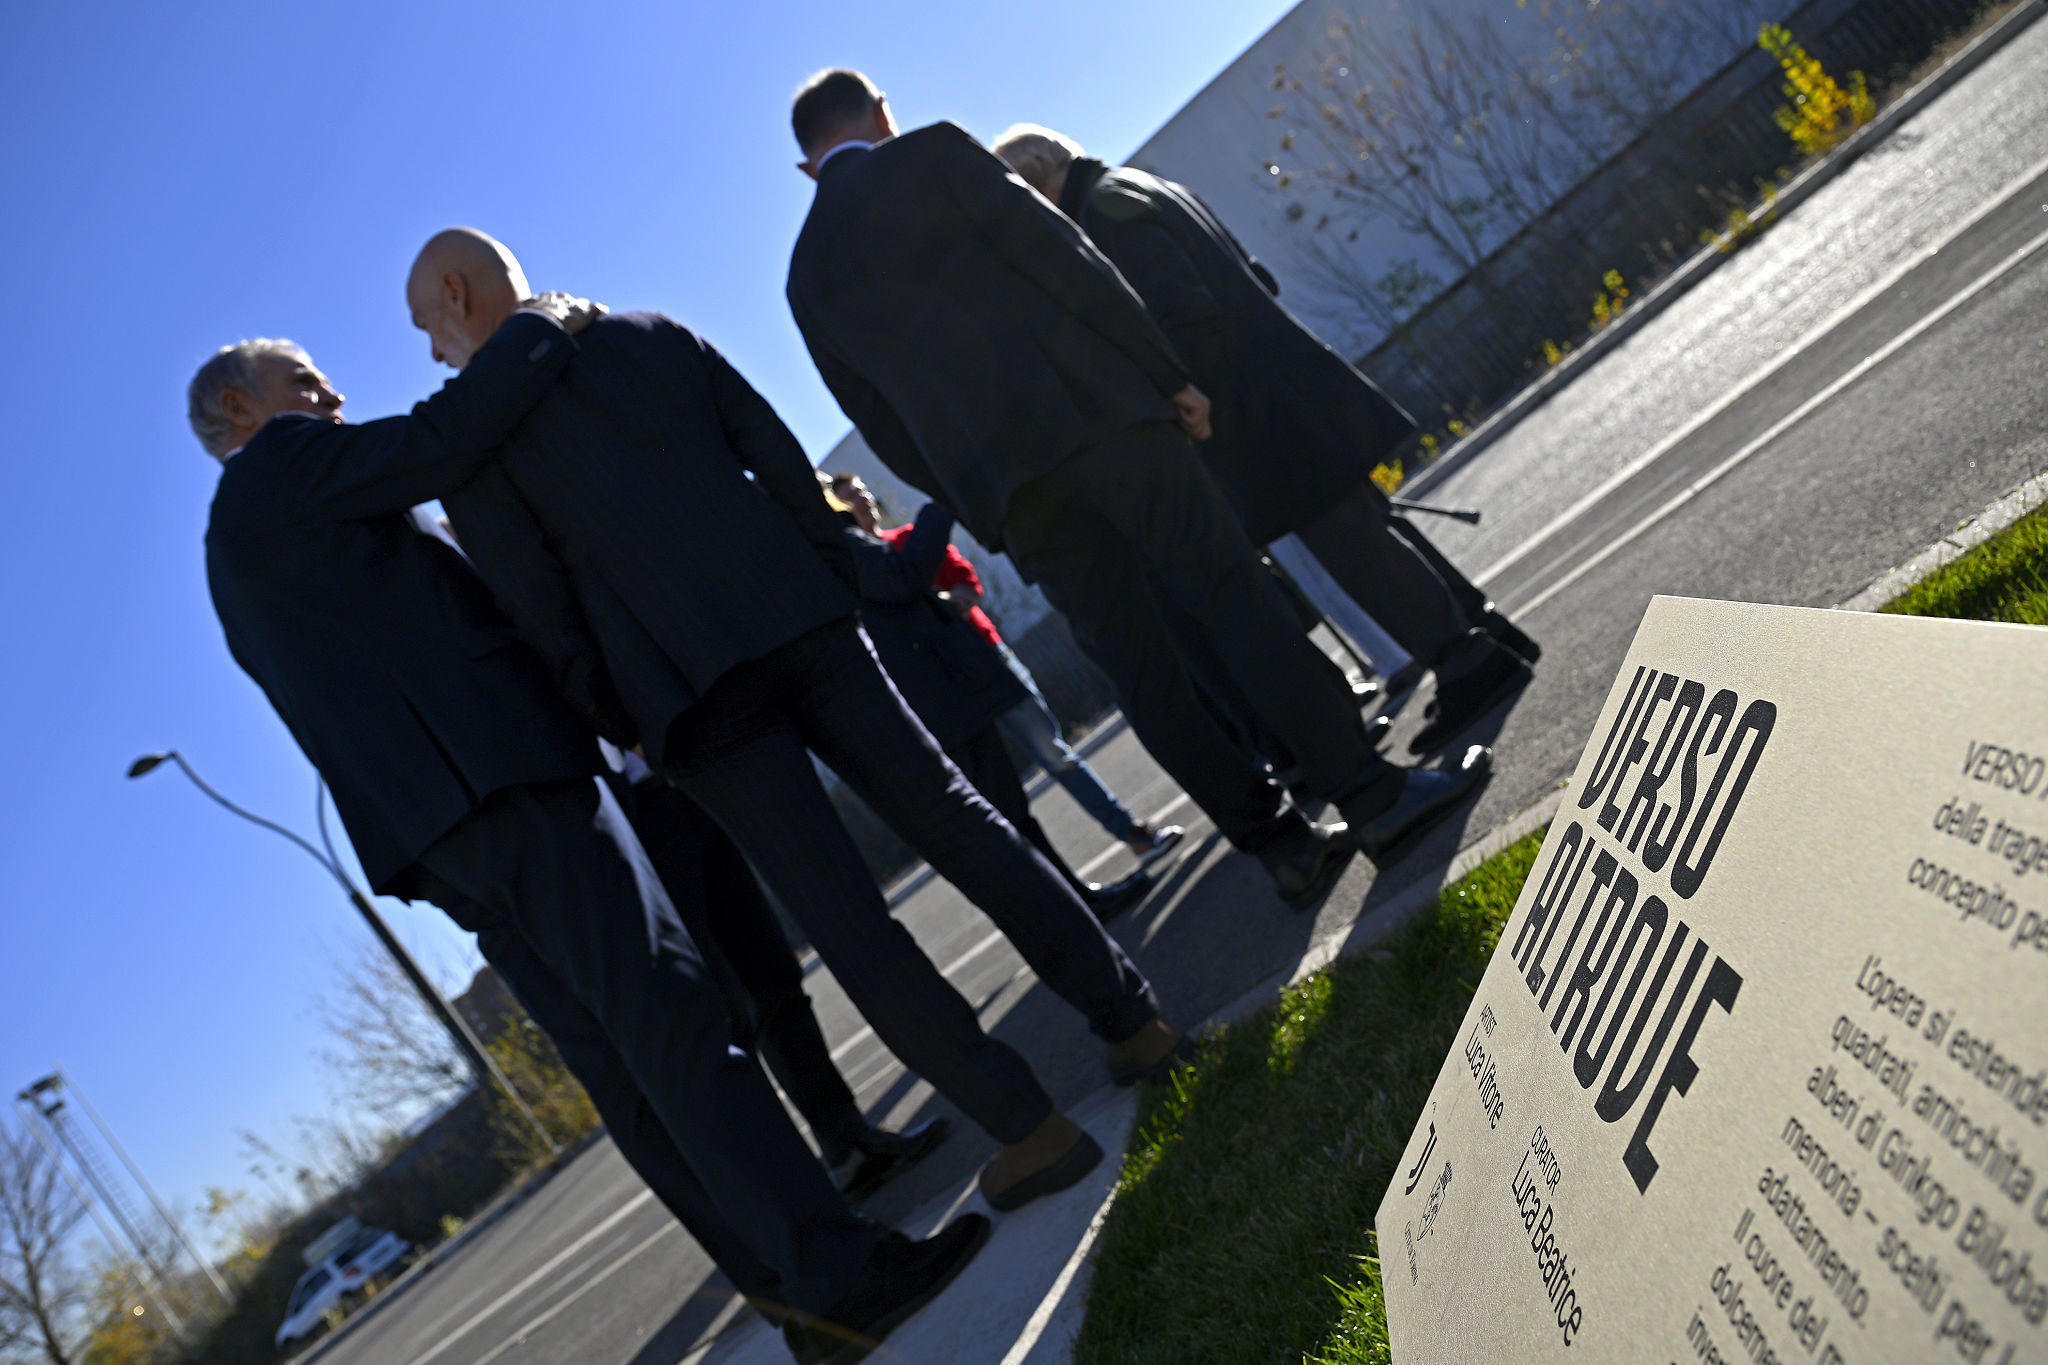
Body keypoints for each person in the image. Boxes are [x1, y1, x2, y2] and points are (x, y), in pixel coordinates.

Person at [187, 313, 985, 1362]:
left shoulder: (234, 551)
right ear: (238, 410)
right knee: (676, 1020)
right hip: (506, 781)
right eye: (303, 380)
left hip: (439, 835)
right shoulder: (283, 469)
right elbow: (441, 439)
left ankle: (794, 1298)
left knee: (628, 1071)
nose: (330, 398)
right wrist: (532, 332)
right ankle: (844, 1273)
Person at [407, 228, 1193, 1218]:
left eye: (426, 328)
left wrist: (619, 716)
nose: (433, 354)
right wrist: (825, 575)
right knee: (957, 818)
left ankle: (1029, 1129)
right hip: (804, 619)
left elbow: (538, 604)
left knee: (843, 919)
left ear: (455, 290)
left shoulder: (473, 443)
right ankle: (1133, 1023)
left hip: (687, 695)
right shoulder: (653, 332)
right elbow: (772, 451)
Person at [784, 70, 1489, 913]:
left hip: (1016, 495)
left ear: (806, 169)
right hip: (1102, 421)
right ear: (882, 116)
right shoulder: (935, 150)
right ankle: (1371, 796)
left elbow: (884, 425)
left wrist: (983, 504)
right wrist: (1162, 372)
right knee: (1231, 597)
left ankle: (1281, 847)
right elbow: (1063, 257)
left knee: (1142, 671)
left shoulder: (805, 278)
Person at [992, 125, 1539, 755]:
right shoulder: (1138, 186)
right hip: (1281, 384)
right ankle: (1484, 636)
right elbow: (1255, 274)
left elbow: (1183, 312)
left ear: (1035, 178)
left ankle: (1468, 660)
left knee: (1354, 545)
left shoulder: (1104, 215)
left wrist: (1190, 398)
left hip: (1251, 410)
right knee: (1369, 526)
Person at [820, 478, 1150, 920]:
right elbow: (903, 579)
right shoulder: (838, 546)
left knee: (1017, 797)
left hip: (965, 680)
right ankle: (1066, 915)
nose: (854, 499)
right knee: (1002, 812)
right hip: (945, 693)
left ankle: (1077, 903)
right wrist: (939, 507)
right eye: (834, 491)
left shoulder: (845, 549)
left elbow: (956, 585)